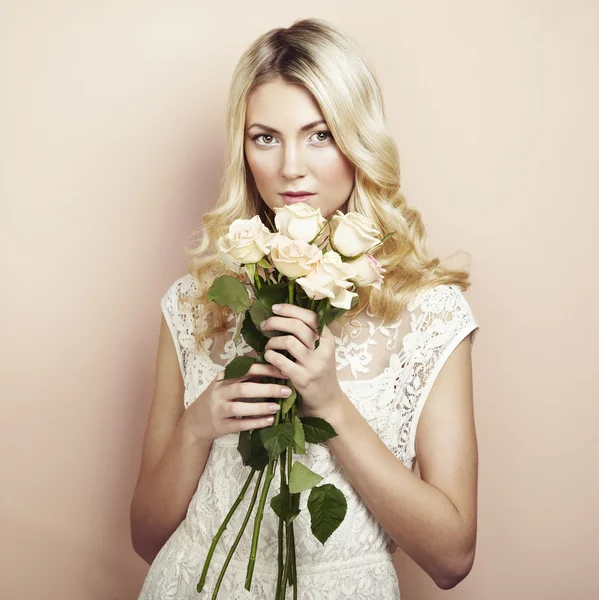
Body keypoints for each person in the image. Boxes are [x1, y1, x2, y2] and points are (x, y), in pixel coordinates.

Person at [131, 17, 480, 599]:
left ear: (357, 139)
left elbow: (453, 558)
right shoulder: (196, 303)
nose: (291, 166)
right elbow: (146, 538)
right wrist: (199, 425)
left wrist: (331, 405)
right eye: (265, 137)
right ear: (243, 151)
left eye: (319, 134)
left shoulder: (430, 313)